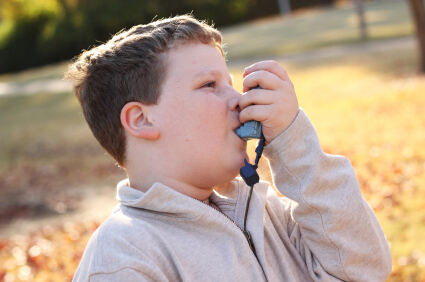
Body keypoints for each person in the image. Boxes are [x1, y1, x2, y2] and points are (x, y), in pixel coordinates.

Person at [66, 15, 392, 281]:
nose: (240, 101)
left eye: (231, 85)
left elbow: (365, 269)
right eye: (209, 85)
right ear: (141, 119)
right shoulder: (124, 259)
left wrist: (292, 140)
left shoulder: (268, 212)